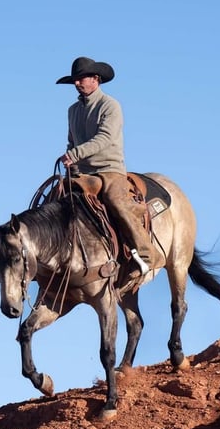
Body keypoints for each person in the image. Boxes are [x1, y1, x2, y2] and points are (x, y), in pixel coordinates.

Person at [56, 56, 157, 276]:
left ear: (95, 79)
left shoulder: (110, 105)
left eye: (81, 78)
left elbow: (105, 138)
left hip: (109, 169)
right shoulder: (72, 110)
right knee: (57, 197)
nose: (77, 83)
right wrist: (71, 161)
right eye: (74, 79)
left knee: (115, 201)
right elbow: (71, 141)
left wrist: (75, 153)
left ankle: (146, 254)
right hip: (83, 173)